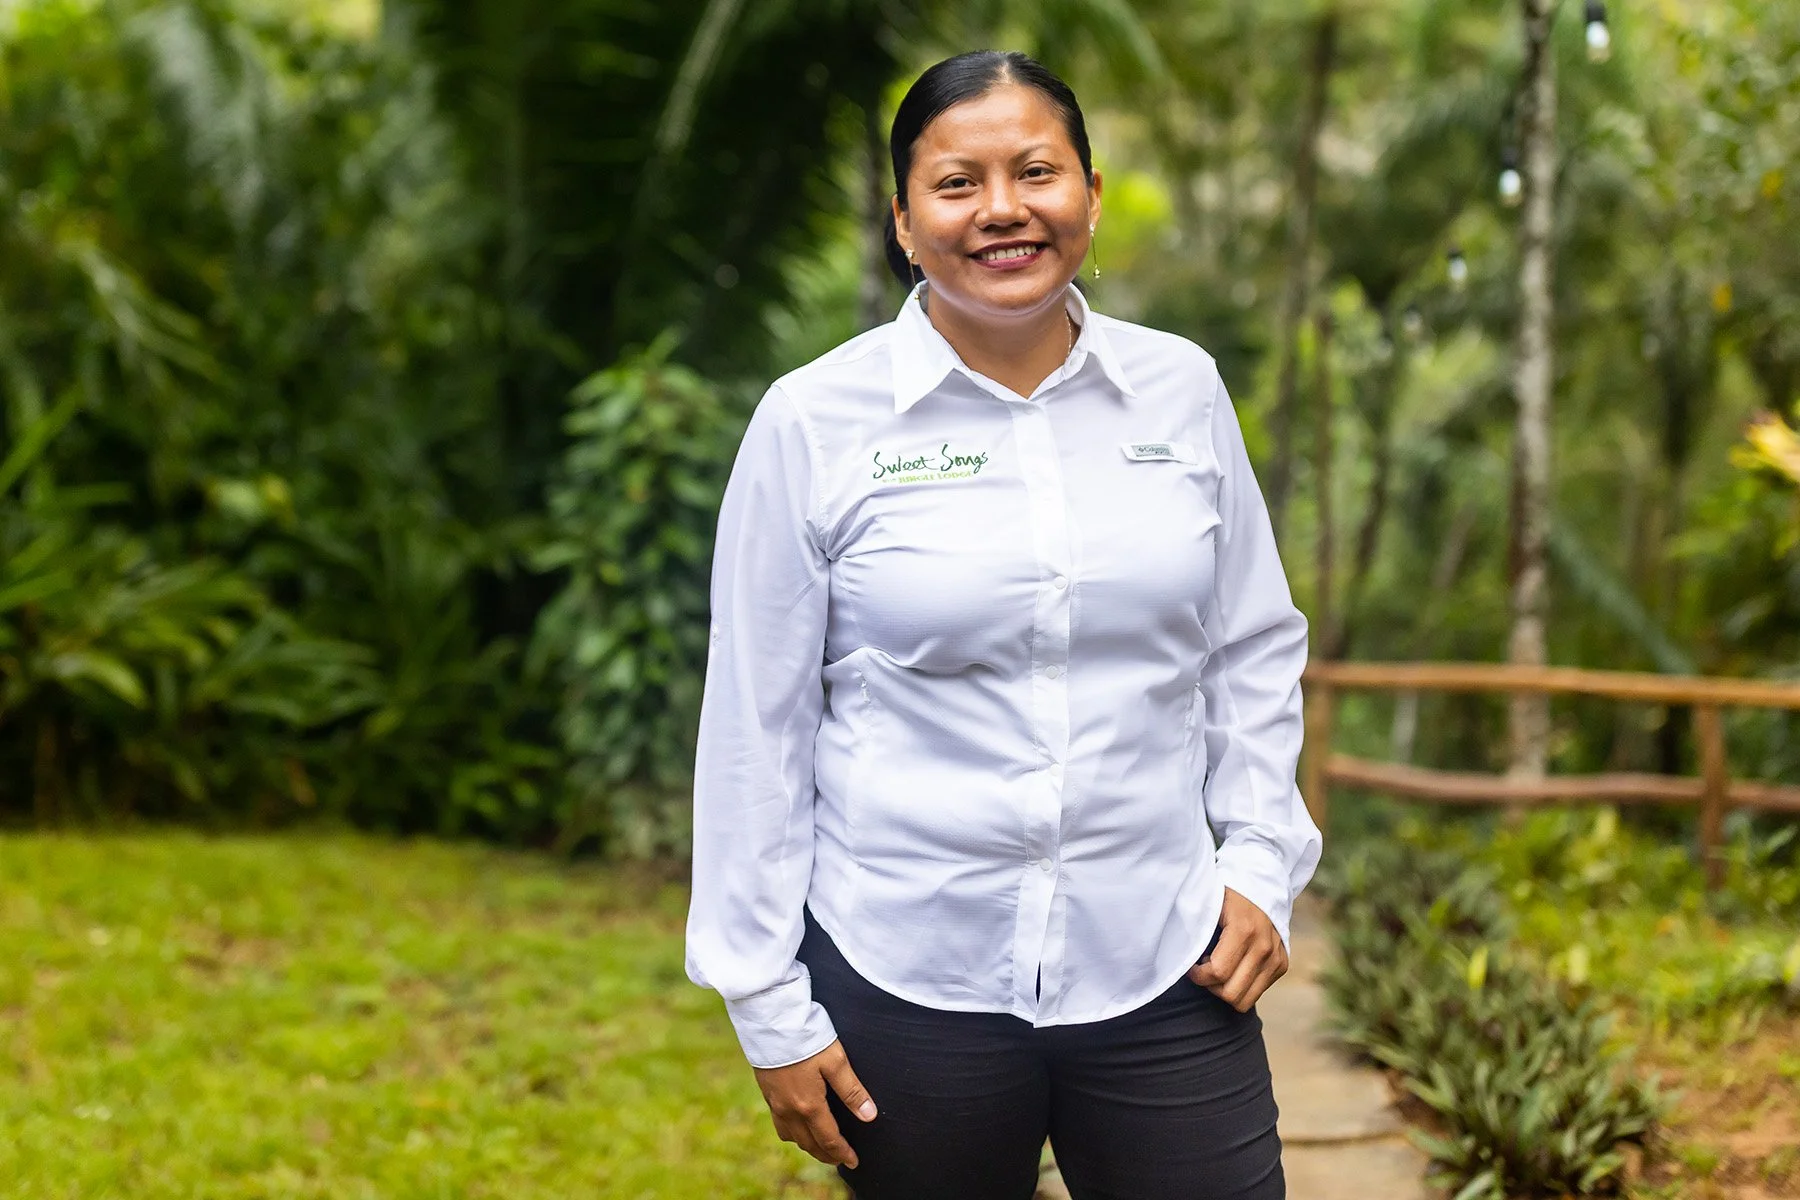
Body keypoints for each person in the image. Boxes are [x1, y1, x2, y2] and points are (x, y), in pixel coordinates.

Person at [685, 49, 1322, 1200]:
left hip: (1166, 960)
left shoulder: (1181, 392)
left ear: (1088, 187)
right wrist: (766, 1002)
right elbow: (755, 725)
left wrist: (1264, 862)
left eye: (1036, 171)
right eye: (957, 183)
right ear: (903, 219)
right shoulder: (815, 422)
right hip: (907, 975)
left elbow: (1252, 649)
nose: (1003, 211)